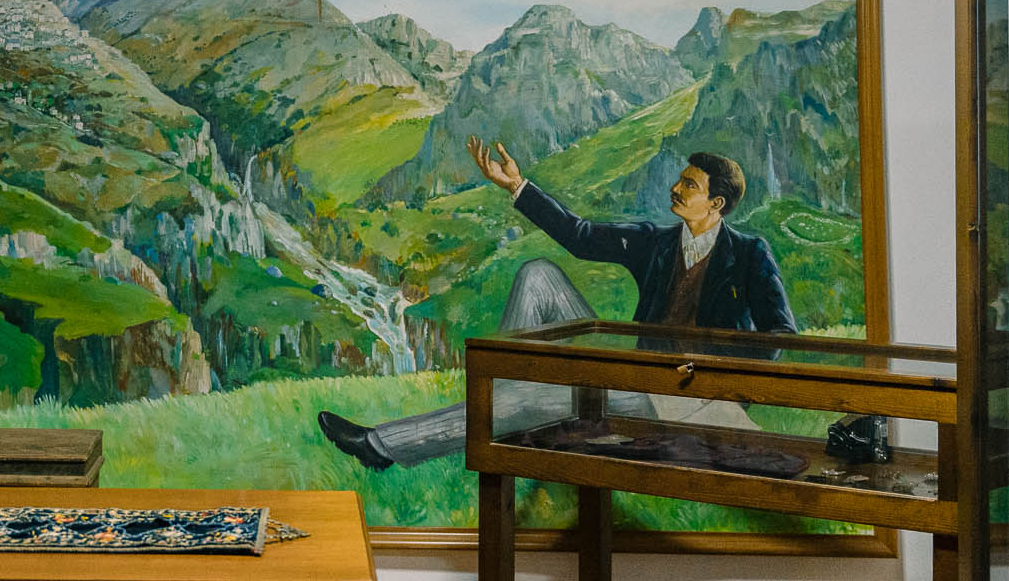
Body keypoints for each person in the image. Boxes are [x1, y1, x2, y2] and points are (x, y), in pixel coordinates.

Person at [318, 136, 797, 470]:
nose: (676, 187)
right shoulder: (658, 242)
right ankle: (507, 407)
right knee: (537, 274)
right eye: (681, 179)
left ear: (716, 203)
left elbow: (781, 337)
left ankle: (381, 446)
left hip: (684, 397)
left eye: (689, 185)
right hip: (637, 374)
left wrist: (711, 372)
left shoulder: (749, 254)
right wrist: (516, 186)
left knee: (526, 398)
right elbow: (580, 235)